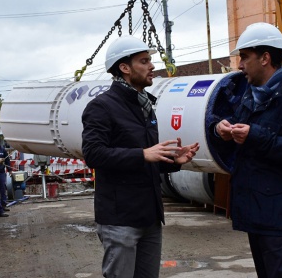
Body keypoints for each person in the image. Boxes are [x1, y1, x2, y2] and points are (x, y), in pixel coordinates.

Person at [210, 22, 282, 278]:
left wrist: (254, 135)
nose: (239, 65)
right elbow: (239, 149)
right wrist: (220, 131)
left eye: (245, 57)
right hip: (257, 214)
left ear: (265, 58)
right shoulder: (251, 100)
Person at [81, 35, 200, 278]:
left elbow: (146, 159)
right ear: (124, 68)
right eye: (144, 61)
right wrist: (143, 154)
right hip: (120, 218)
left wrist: (172, 162)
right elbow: (93, 154)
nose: (152, 67)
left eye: (150, 61)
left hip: (150, 216)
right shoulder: (101, 107)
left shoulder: (144, 106)